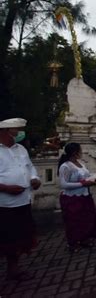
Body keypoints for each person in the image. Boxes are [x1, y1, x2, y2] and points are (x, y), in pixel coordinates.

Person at [0, 118, 41, 280]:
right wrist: (6, 188)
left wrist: (34, 179)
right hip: (4, 204)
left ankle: (13, 268)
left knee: (19, 238)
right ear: (5, 132)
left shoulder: (21, 149)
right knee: (5, 238)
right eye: (16, 131)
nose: (19, 134)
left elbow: (30, 167)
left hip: (23, 201)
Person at [58, 143, 96, 252]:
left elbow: (86, 176)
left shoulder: (80, 163)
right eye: (80, 150)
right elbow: (63, 184)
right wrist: (82, 184)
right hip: (72, 198)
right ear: (75, 153)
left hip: (85, 196)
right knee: (74, 221)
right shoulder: (66, 166)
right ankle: (73, 243)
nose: (82, 152)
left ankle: (84, 239)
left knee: (86, 218)